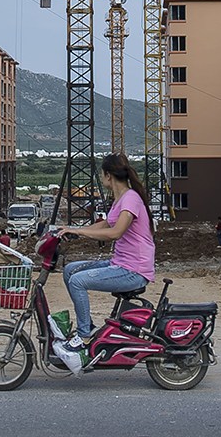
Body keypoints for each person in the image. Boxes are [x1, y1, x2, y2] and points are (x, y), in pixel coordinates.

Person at [56, 153, 155, 356]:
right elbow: (106, 224)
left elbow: (115, 232)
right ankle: (88, 326)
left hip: (133, 271)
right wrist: (71, 229)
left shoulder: (131, 199)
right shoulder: (121, 199)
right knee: (69, 270)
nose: (101, 178)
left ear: (108, 175)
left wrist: (79, 231)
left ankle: (84, 336)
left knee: (77, 281)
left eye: (102, 174)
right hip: (121, 263)